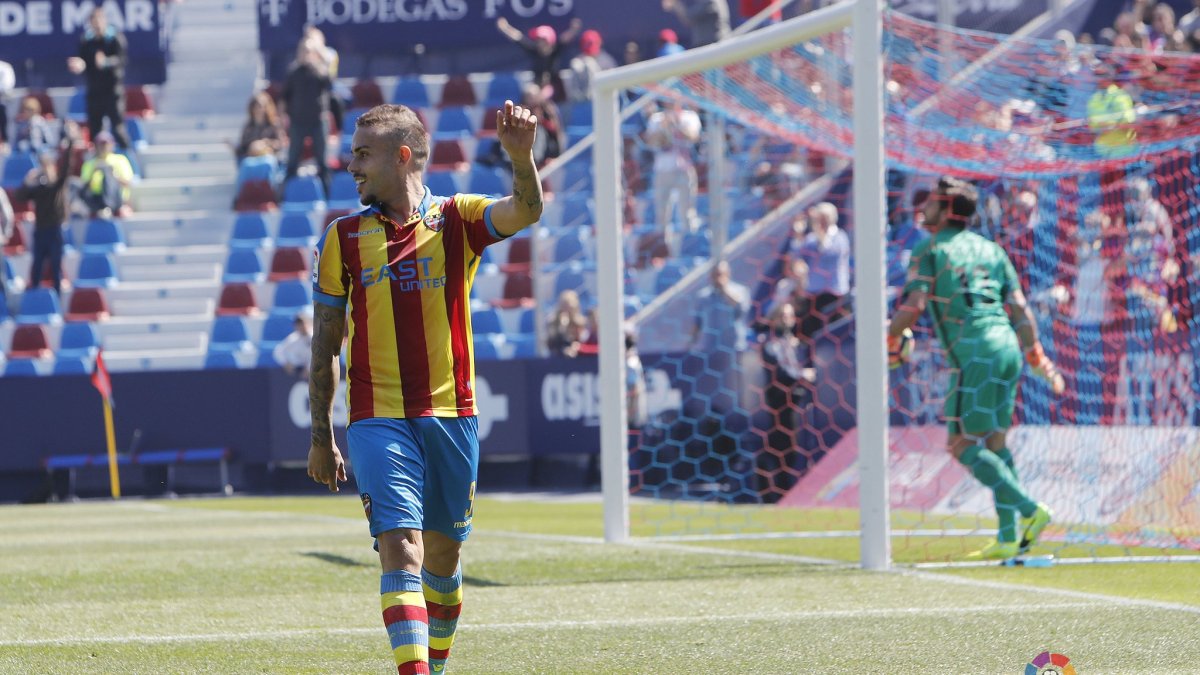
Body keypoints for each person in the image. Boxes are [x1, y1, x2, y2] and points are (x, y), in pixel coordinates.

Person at [307, 100, 543, 675]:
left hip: (450, 413)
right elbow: (325, 345)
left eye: (363, 154)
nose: (350, 165)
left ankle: (434, 667)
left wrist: (522, 157)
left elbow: (526, 211)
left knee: (443, 556)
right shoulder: (342, 238)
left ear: (402, 155)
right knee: (402, 547)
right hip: (375, 415)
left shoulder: (458, 220)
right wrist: (322, 435)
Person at [887, 176, 1056, 561]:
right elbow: (1019, 308)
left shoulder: (929, 249)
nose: (922, 208)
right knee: (996, 443)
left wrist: (888, 335)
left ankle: (1032, 511)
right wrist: (1034, 354)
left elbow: (913, 306)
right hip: (1008, 346)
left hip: (974, 349)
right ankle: (1008, 536)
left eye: (930, 201)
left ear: (947, 208)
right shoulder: (992, 250)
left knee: (960, 443)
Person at [15, 123, 79, 296]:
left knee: (56, 265)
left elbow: (66, 169)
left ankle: (56, 298)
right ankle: (34, 297)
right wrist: (28, 181)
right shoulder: (38, 189)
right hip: (41, 230)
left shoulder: (56, 186)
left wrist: (70, 145)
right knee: (37, 266)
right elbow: (19, 197)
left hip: (54, 230)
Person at [67, 7, 131, 150]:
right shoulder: (86, 41)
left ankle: (129, 163)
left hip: (113, 91)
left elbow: (121, 61)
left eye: (99, 21)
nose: (97, 25)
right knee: (95, 130)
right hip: (95, 92)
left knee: (118, 128)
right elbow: (84, 61)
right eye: (93, 22)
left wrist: (106, 62)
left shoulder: (115, 38)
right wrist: (80, 64)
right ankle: (97, 164)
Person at [645, 99, 702, 253]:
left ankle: (690, 245)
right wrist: (664, 127)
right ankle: (664, 246)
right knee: (662, 211)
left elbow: (693, 137)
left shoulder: (689, 117)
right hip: (663, 170)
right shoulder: (656, 118)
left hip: (684, 168)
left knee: (687, 209)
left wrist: (676, 124)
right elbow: (652, 142)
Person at [281, 39, 334, 198]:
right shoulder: (293, 72)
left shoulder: (320, 70)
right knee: (292, 161)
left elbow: (330, 84)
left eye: (308, 51)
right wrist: (282, 120)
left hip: (317, 122)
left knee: (322, 162)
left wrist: (321, 57)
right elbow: (285, 97)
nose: (305, 54)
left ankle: (327, 195)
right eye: (303, 51)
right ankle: (285, 195)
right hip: (298, 122)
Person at [495, 17, 583, 99]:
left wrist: (574, 29)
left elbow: (565, 38)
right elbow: (518, 38)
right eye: (538, 40)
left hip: (556, 93)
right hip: (537, 90)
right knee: (529, 92)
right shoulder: (534, 51)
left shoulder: (555, 51)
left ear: (549, 40)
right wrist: (505, 28)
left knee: (544, 93)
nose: (539, 43)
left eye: (542, 40)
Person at [78, 130, 135, 217]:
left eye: (106, 144)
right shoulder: (89, 163)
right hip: (95, 198)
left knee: (107, 173)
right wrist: (93, 173)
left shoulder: (120, 160)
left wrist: (114, 175)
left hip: (116, 198)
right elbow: (84, 187)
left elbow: (128, 183)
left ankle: (108, 207)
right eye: (100, 144)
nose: (103, 147)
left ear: (112, 144)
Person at [235, 91, 287, 166]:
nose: (258, 110)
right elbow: (242, 147)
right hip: (251, 159)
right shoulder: (248, 127)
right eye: (255, 107)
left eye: (260, 106)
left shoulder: (274, 124)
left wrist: (266, 143)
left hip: (269, 159)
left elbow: (280, 144)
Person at [566, 29, 618, 103]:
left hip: (604, 98)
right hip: (582, 102)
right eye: (587, 45)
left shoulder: (607, 60)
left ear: (599, 43)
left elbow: (614, 82)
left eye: (592, 44)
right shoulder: (577, 61)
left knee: (590, 63)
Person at [661, 0, 731, 47]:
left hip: (716, 46)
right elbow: (688, 20)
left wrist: (676, 4)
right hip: (708, 46)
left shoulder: (711, 2)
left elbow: (689, 16)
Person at [546, 289, 589, 357]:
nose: (566, 309)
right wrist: (562, 326)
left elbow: (582, 340)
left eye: (568, 306)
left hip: (578, 358)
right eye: (564, 305)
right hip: (558, 357)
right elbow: (551, 343)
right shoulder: (553, 322)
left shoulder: (581, 322)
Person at [273, 309, 313, 378]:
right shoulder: (293, 338)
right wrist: (285, 363)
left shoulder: (316, 337)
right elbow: (278, 351)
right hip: (297, 372)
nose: (301, 326)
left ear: (308, 323)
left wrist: (309, 368)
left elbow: (320, 356)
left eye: (303, 323)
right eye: (298, 324)